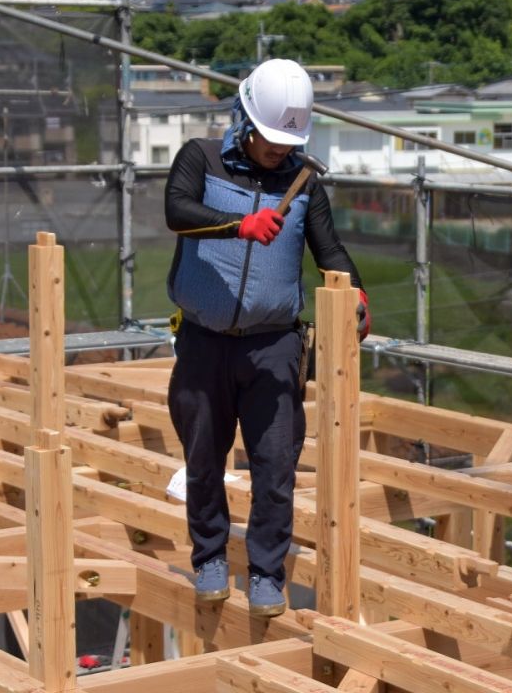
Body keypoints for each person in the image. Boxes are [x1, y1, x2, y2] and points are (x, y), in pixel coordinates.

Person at [164, 58, 370, 617]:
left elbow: (329, 252)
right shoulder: (200, 159)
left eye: (289, 141)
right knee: (204, 456)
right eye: (271, 138)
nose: (280, 150)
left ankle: (265, 572)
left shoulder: (304, 183)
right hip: (205, 340)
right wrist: (238, 225)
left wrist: (355, 292)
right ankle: (209, 557)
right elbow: (176, 212)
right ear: (244, 119)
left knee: (275, 464)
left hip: (273, 344)